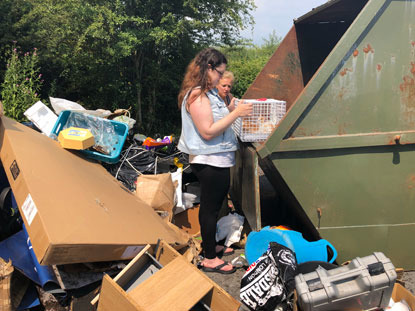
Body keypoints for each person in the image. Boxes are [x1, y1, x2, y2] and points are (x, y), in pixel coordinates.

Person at [177, 48, 252, 274]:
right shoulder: (197, 96)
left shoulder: (208, 93)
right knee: (209, 209)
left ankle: (211, 246)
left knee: (215, 204)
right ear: (208, 69)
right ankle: (209, 258)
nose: (221, 77)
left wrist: (232, 106)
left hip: (217, 159)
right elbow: (208, 131)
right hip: (209, 160)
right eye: (219, 72)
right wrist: (236, 114)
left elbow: (220, 115)